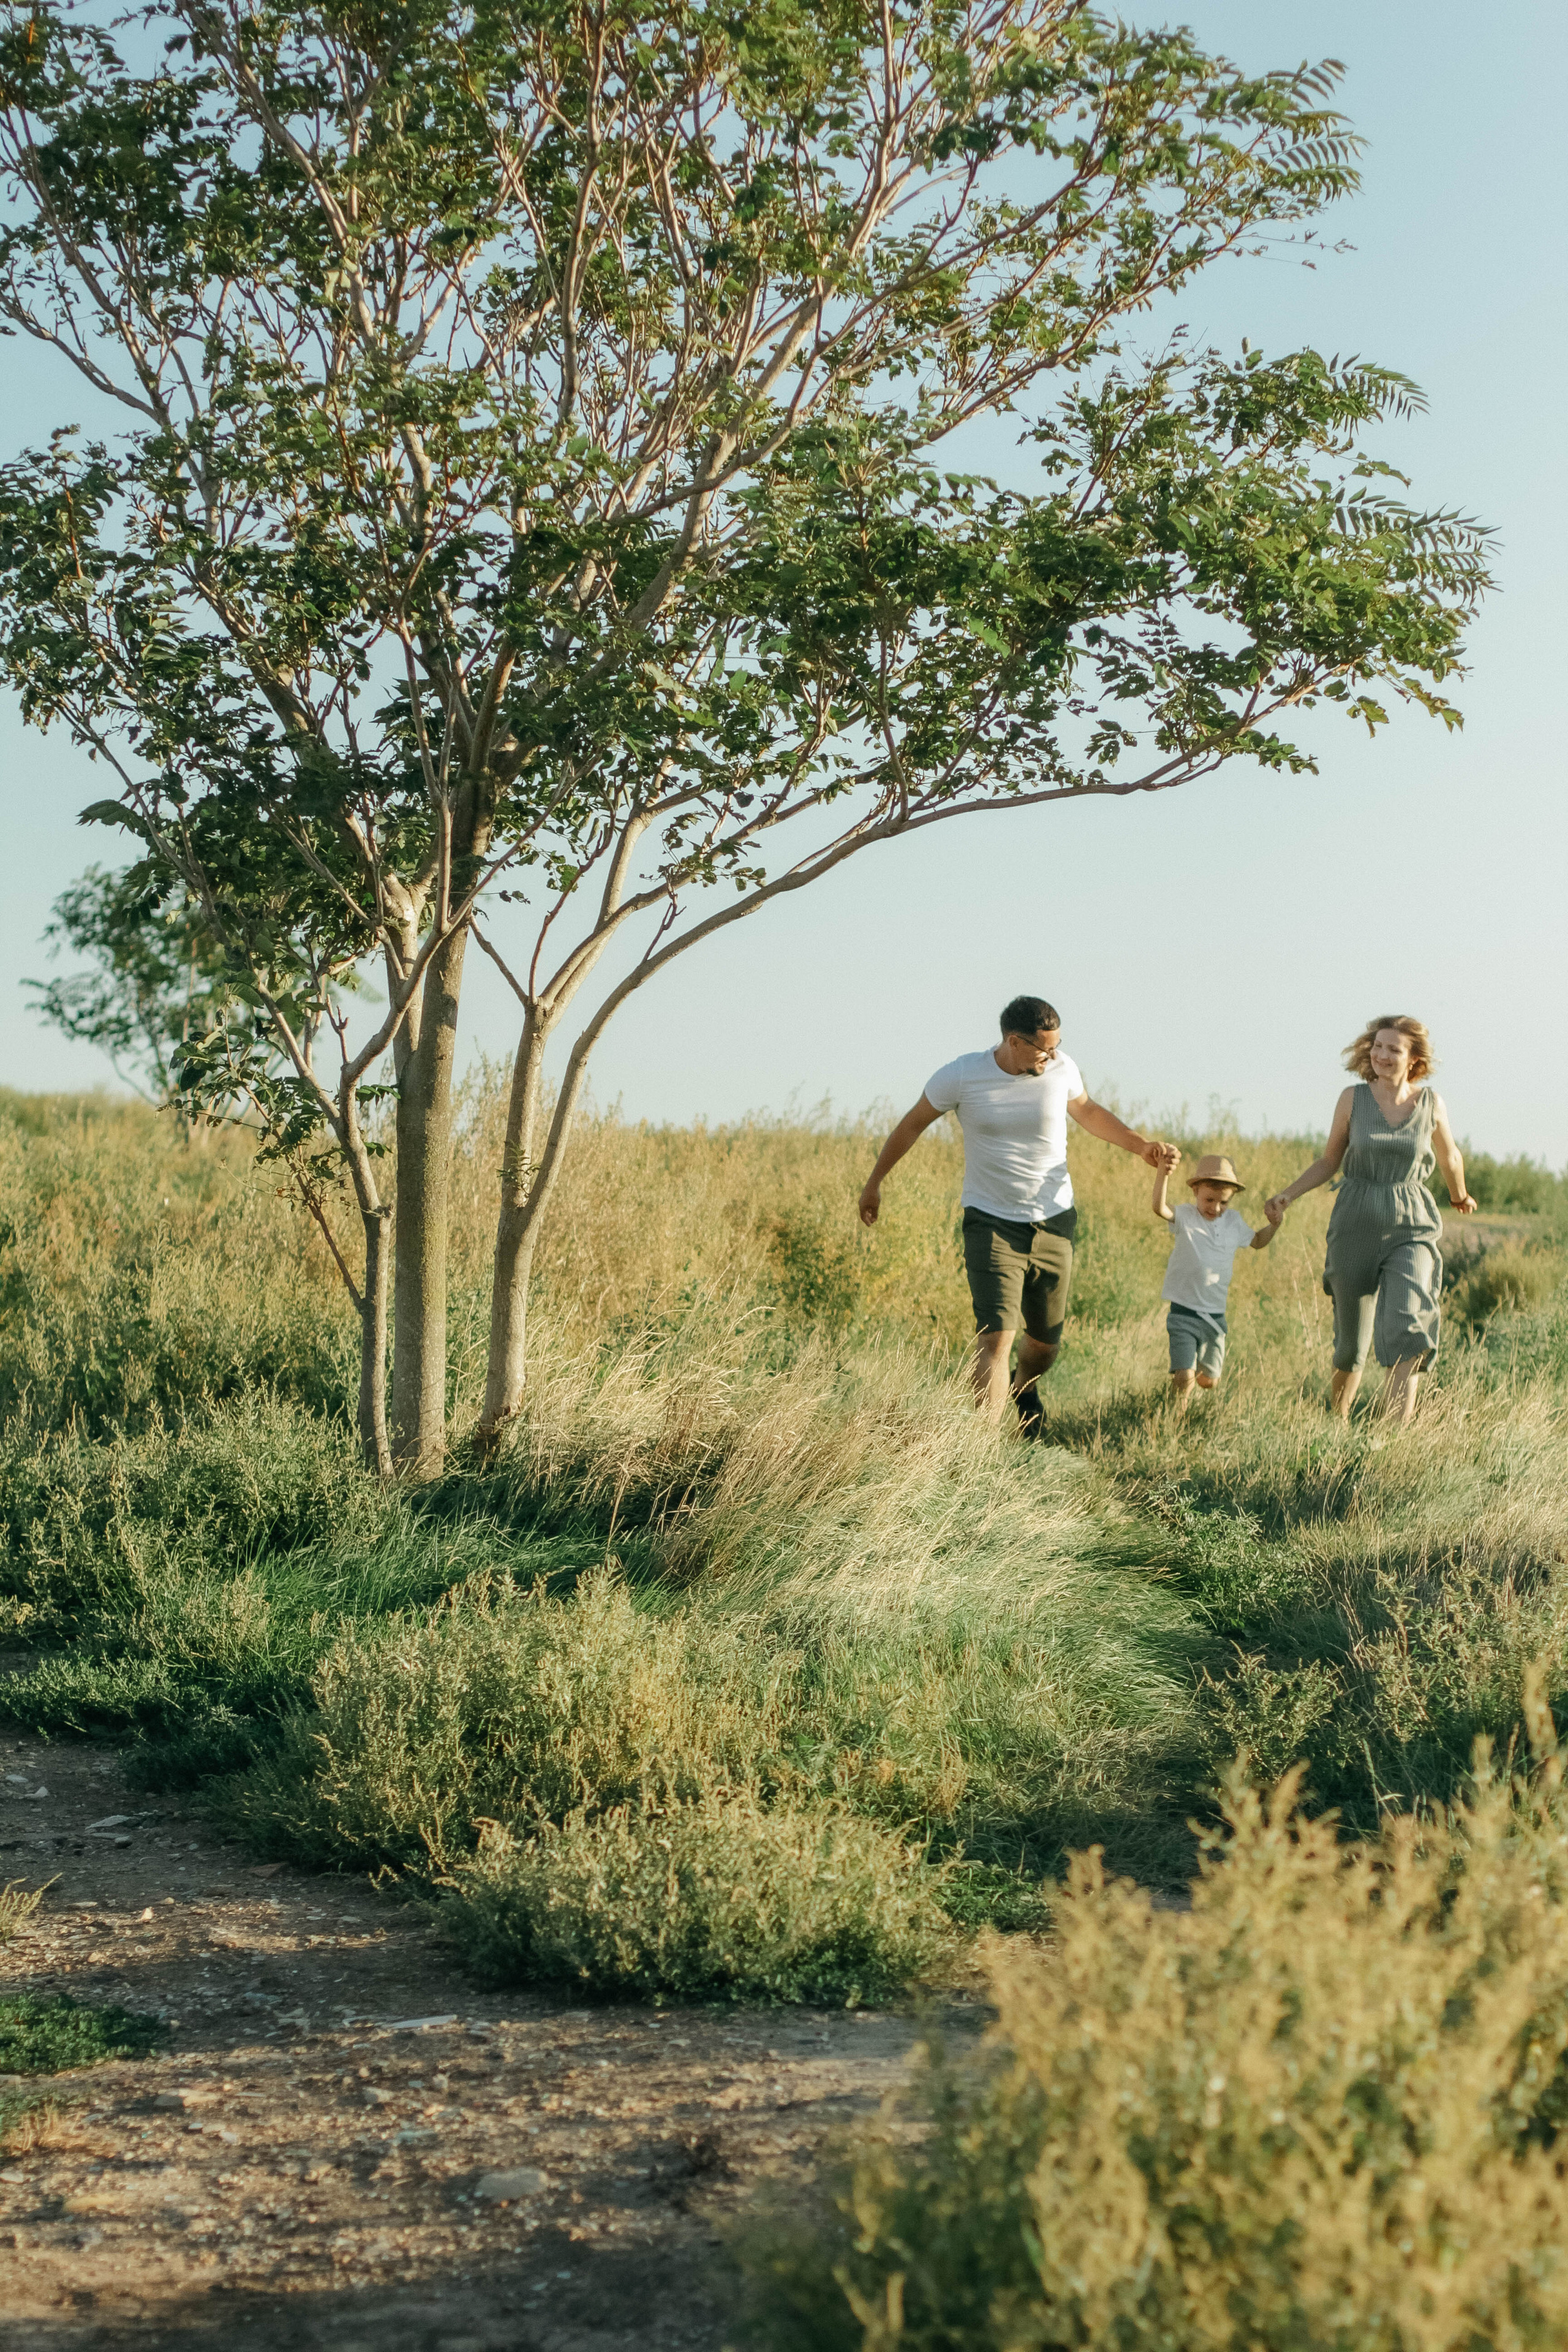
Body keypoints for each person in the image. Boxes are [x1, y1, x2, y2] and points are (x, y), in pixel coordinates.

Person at [858, 993, 1177, 1424]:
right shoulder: (961, 1076)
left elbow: (1087, 1111)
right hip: (990, 1220)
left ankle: (1024, 1387)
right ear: (1014, 1041)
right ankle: (982, 1457)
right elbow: (912, 1125)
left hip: (1054, 1219)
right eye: (1045, 1048)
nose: (1053, 1054)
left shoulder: (1062, 1068)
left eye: (1058, 1045)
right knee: (996, 1338)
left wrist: (1141, 1147)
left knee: (1045, 1344)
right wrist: (875, 1183)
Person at [1265, 1016, 1477, 1427]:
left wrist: (1459, 1194)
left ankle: (1391, 1441)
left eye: (1393, 1049)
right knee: (1350, 1343)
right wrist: (1289, 1194)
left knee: (1408, 1329)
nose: (1381, 1055)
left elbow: (1450, 1156)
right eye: (1377, 1046)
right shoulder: (1353, 1099)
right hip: (1355, 1220)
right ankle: (1337, 1424)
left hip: (1411, 1222)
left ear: (1414, 1058)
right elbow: (1330, 1160)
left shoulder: (1431, 1104)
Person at [1152, 1152, 1281, 1409]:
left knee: (1208, 1381)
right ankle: (1176, 1423)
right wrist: (1162, 1175)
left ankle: (1198, 1376)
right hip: (1183, 1313)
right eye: (1209, 1200)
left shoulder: (1233, 1222)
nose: (1216, 1208)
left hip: (1215, 1318)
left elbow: (1257, 1241)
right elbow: (1160, 1208)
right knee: (1184, 1378)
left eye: (1223, 1202)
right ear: (1195, 1191)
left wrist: (1275, 1226)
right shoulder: (1186, 1216)